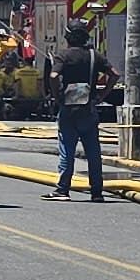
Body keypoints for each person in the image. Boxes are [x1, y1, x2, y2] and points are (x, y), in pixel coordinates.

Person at [48, 15, 112, 199]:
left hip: (68, 109)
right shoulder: (94, 56)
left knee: (67, 148)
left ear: (68, 37)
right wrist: (102, 95)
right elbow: (114, 74)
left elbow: (53, 76)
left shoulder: (63, 55)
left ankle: (62, 189)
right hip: (88, 108)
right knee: (93, 150)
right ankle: (97, 191)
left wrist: (57, 95)